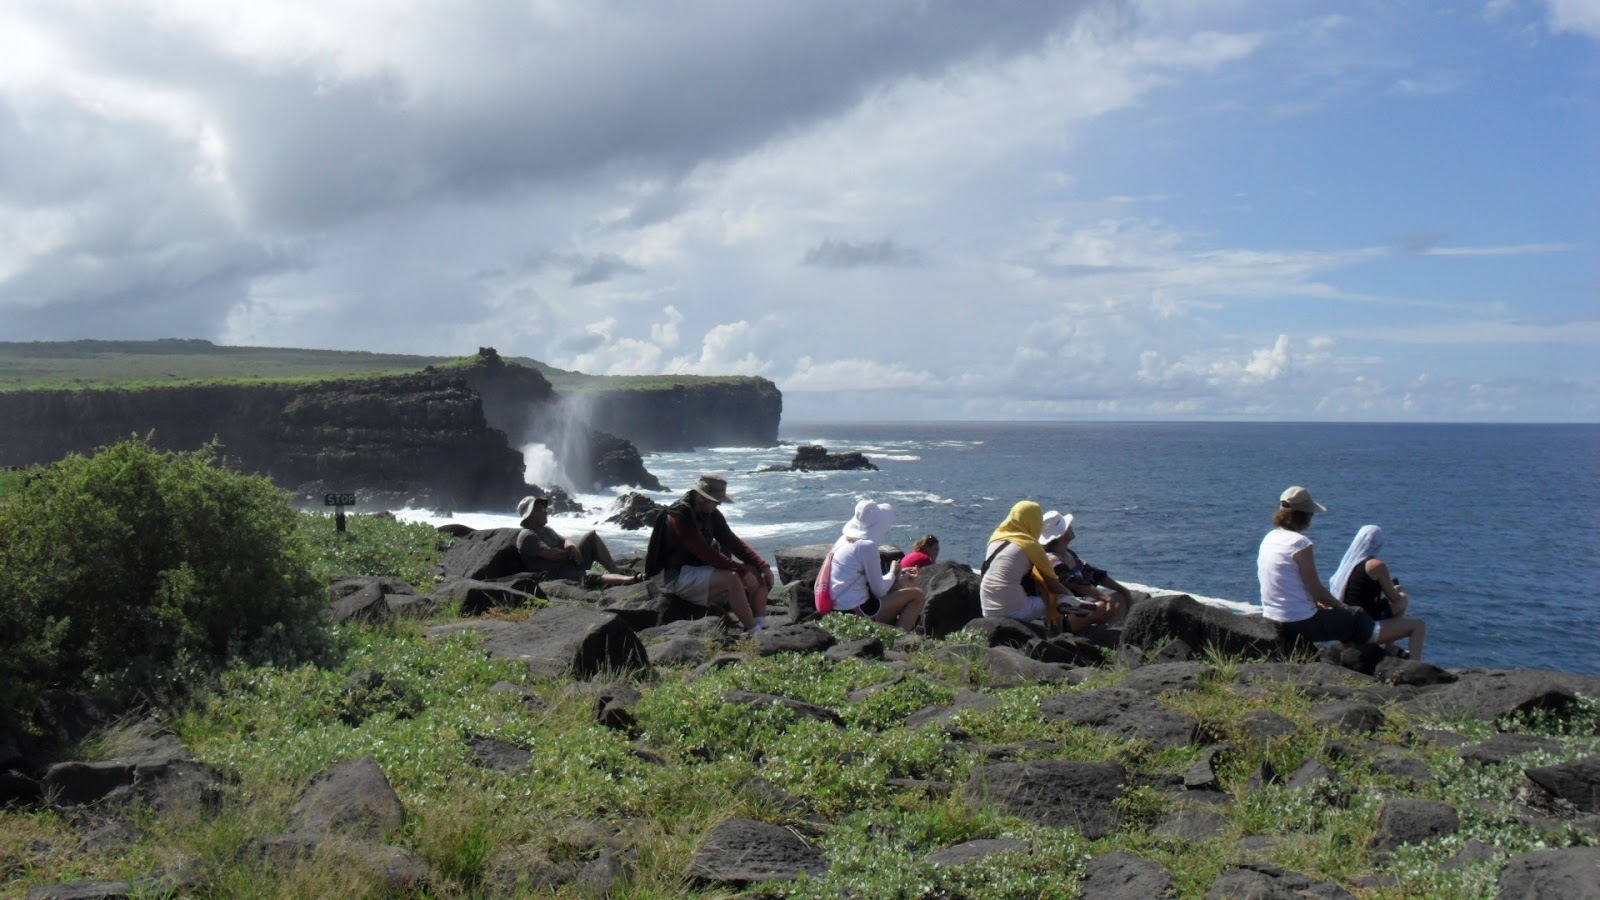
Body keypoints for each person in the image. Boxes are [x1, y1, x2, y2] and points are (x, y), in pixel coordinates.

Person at [1257, 487, 1425, 660]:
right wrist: (1340, 607)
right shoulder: (1300, 543)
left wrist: (1316, 603)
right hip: (1299, 622)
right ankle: (1386, 654)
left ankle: (1360, 655)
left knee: (1344, 618)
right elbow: (1317, 590)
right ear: (1304, 515)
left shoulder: (1270, 538)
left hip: (1272, 617)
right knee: (1355, 617)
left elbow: (1289, 583)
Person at [650, 473, 774, 635]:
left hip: (703, 573)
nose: (719, 504)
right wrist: (741, 571)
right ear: (703, 497)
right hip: (679, 578)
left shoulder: (710, 514)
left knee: (757, 572)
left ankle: (760, 622)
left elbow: (732, 542)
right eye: (716, 500)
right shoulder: (679, 517)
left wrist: (762, 565)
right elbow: (705, 552)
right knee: (733, 578)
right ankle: (754, 632)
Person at [827, 499, 925, 630]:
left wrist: (899, 573)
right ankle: (900, 640)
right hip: (857, 612)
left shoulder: (843, 540)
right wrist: (892, 571)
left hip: (837, 608)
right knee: (917, 595)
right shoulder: (867, 546)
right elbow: (879, 591)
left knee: (899, 583)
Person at [979, 501, 1077, 628]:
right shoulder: (1029, 545)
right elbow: (1054, 585)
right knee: (1054, 597)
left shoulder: (996, 538)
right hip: (1013, 612)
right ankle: (1057, 625)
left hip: (987, 609)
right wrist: (1072, 597)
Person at [515, 496, 641, 587]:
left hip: (569, 563)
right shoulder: (527, 535)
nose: (545, 512)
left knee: (591, 537)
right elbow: (552, 555)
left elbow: (565, 540)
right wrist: (570, 553)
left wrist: (573, 548)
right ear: (531, 515)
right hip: (555, 574)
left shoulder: (546, 530)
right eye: (541, 510)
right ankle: (631, 580)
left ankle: (616, 571)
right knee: (590, 575)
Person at [1040, 510, 1136, 620]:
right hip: (1062, 616)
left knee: (1121, 596)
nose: (1071, 526)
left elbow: (1095, 575)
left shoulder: (1069, 554)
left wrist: (1124, 590)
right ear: (1061, 534)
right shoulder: (1051, 559)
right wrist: (1105, 598)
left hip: (1079, 611)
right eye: (1067, 526)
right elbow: (1073, 582)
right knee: (1117, 599)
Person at [1329, 525, 1410, 621]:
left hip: (1346, 614)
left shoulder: (1347, 564)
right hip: (1365, 619)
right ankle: (1391, 633)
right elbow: (1393, 597)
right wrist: (1398, 590)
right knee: (1402, 599)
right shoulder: (1376, 565)